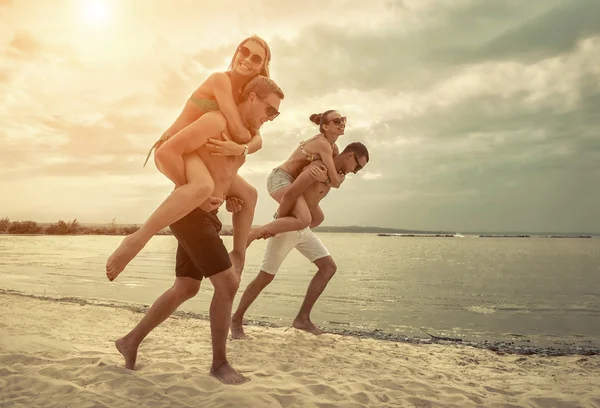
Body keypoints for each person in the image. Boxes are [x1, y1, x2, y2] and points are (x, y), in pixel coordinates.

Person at [114, 76, 284, 385]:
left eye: (276, 114)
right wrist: (199, 192)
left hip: (209, 216)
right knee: (228, 283)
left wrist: (225, 194)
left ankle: (130, 341)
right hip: (190, 215)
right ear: (251, 99)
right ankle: (219, 363)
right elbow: (166, 153)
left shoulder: (244, 137)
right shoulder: (215, 121)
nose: (270, 118)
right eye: (270, 110)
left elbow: (228, 176)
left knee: (187, 287)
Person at [106, 35, 275, 281]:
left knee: (248, 194)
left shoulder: (245, 96)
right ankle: (136, 240)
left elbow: (256, 140)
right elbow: (242, 133)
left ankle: (239, 255)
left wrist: (240, 155)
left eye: (256, 58)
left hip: (195, 155)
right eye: (244, 51)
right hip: (173, 149)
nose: (247, 59)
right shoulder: (220, 80)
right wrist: (242, 141)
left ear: (262, 66)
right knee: (203, 187)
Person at [231, 142, 369, 337]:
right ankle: (236, 319)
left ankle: (302, 319)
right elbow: (292, 193)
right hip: (290, 226)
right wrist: (279, 223)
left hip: (303, 230)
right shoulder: (316, 168)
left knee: (328, 267)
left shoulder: (336, 174)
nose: (356, 171)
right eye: (358, 166)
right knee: (265, 278)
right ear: (350, 155)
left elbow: (334, 183)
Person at [246, 110, 348, 245]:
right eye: (336, 121)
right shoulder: (322, 143)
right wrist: (334, 179)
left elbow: (334, 177)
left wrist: (334, 179)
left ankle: (279, 231)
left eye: (343, 120)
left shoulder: (334, 149)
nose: (342, 123)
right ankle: (255, 232)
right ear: (325, 127)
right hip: (279, 179)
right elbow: (335, 180)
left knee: (317, 218)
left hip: (294, 183)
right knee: (304, 219)